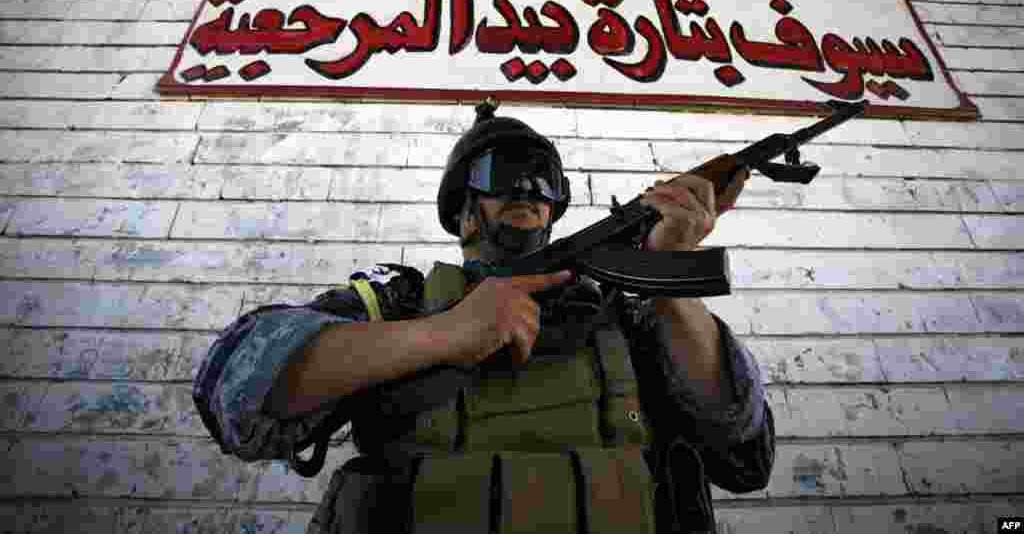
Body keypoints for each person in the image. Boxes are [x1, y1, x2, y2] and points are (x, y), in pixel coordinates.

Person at [193, 99, 775, 534]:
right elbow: (236, 388)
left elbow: (742, 452)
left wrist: (671, 278)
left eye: (543, 180)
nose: (526, 189)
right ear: (464, 210)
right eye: (503, 174)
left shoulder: (623, 313)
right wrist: (447, 332)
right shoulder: (400, 300)